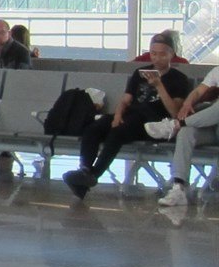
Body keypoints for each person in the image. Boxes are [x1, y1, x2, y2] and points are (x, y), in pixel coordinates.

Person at [63, 34, 191, 202]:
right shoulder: (139, 73)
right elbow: (125, 100)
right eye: (153, 53)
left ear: (171, 54)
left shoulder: (179, 79)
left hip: (154, 123)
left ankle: (94, 174)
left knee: (118, 132)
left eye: (162, 54)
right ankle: (85, 170)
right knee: (95, 127)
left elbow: (175, 112)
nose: (157, 58)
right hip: (132, 115)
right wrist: (117, 115)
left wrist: (159, 86)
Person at [150, 65, 219, 209]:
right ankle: (178, 187)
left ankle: (176, 124)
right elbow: (199, 91)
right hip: (213, 128)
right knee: (186, 132)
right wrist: (188, 103)